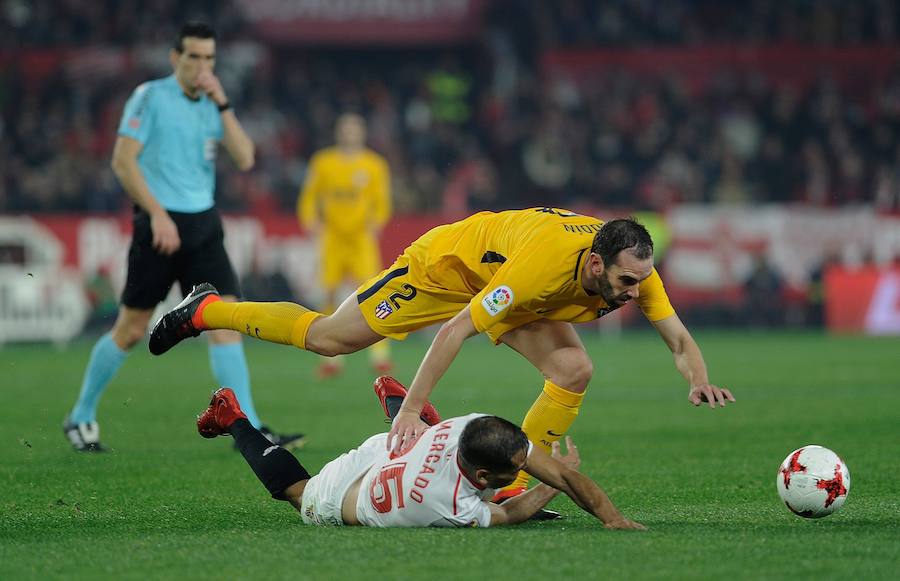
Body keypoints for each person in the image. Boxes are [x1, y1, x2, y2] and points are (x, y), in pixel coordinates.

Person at [149, 208, 734, 502]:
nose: (635, 294)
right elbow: (454, 331)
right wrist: (412, 409)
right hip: (446, 269)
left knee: (574, 368)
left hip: (515, 290)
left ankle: (511, 487)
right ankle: (206, 311)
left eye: (640, 283)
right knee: (331, 338)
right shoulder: (542, 267)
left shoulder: (634, 271)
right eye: (627, 283)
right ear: (595, 264)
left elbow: (679, 340)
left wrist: (699, 378)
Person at [63, 22, 302, 452]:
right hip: (159, 226)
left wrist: (224, 102)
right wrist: (156, 214)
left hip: (204, 225)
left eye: (209, 58)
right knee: (132, 328)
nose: (202, 65)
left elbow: (246, 157)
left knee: (226, 322)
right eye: (194, 57)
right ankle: (80, 415)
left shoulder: (213, 104)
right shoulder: (150, 97)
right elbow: (123, 161)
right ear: (176, 58)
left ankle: (249, 428)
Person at [198, 375, 645, 529]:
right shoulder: (452, 507)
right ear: (484, 478)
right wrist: (558, 485)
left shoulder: (477, 426)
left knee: (418, 432)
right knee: (297, 492)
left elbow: (551, 472)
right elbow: (511, 515)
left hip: (395, 452)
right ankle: (232, 419)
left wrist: (603, 509)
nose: (523, 468)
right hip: (340, 495)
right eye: (516, 469)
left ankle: (405, 411)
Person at [297, 113, 393, 378]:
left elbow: (382, 201)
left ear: (361, 133)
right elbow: (310, 195)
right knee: (329, 292)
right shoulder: (323, 162)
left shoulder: (374, 165)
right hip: (333, 237)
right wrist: (310, 220)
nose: (350, 134)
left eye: (354, 129)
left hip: (361, 237)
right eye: (346, 129)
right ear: (339, 132)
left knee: (374, 291)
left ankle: (380, 353)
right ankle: (332, 357)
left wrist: (377, 222)